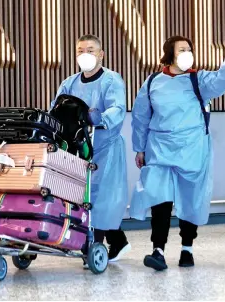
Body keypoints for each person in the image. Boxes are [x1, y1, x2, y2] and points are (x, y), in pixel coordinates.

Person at [130, 35, 225, 271]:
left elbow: (220, 81)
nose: (187, 52)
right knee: (160, 199)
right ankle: (158, 250)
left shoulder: (199, 79)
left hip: (192, 148)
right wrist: (140, 148)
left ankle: (187, 249)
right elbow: (140, 116)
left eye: (189, 48)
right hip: (159, 148)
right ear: (169, 53)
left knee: (190, 198)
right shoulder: (153, 81)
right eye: (181, 49)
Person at [52, 34, 131, 267]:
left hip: (105, 147)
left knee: (101, 198)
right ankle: (118, 241)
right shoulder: (69, 83)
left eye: (90, 50)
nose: (85, 54)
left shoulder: (111, 80)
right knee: (79, 195)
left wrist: (98, 120)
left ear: (101, 54)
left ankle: (92, 246)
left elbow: (118, 107)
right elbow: (56, 109)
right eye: (80, 50)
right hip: (78, 148)